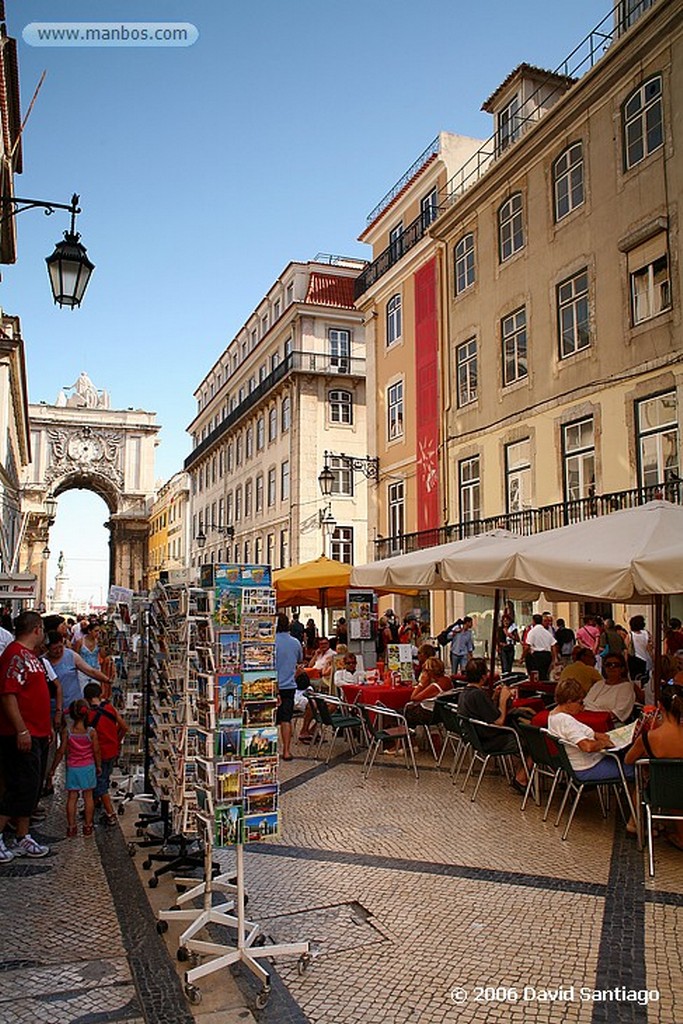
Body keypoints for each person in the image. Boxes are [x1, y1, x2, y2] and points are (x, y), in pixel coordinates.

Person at [0, 611, 51, 861]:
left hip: (38, 733)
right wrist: (21, 729)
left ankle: (23, 836)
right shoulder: (14, 655)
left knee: (31, 789)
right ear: (37, 629)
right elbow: (8, 695)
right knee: (19, 787)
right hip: (21, 734)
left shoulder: (31, 656)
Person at [625, 680, 683, 850]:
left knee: (640, 778)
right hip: (680, 791)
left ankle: (635, 824)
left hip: (661, 792)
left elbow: (628, 760)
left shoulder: (651, 737)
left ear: (660, 706)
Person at [547, 677, 635, 785]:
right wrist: (603, 743)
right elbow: (587, 747)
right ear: (569, 702)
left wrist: (596, 735)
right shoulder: (566, 721)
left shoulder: (553, 715)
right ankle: (634, 800)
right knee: (637, 769)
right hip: (587, 767)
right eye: (580, 703)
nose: (582, 707)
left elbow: (578, 734)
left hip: (577, 765)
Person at [457, 657, 526, 790]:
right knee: (531, 742)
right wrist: (503, 700)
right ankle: (521, 778)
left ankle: (519, 773)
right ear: (483, 677)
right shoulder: (478, 695)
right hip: (490, 740)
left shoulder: (465, 693)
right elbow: (499, 721)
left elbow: (487, 713)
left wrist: (494, 698)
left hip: (477, 738)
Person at [49, 698, 101, 837]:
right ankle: (88, 826)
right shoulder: (91, 732)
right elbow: (96, 751)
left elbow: (61, 751)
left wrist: (53, 768)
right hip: (88, 767)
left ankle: (71, 827)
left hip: (73, 767)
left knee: (72, 797)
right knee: (88, 796)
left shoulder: (68, 732)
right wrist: (98, 765)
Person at [83, 682, 128, 826]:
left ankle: (111, 813)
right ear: (100, 694)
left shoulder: (89, 715)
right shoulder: (110, 708)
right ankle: (92, 805)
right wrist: (117, 739)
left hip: (99, 754)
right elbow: (124, 726)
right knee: (104, 779)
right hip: (112, 750)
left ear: (86, 698)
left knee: (100, 784)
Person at [45, 631, 111, 709]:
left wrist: (107, 680)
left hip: (73, 706)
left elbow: (90, 671)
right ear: (47, 648)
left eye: (60, 647)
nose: (59, 651)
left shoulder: (71, 655)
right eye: (54, 649)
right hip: (52, 707)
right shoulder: (43, 661)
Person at [583, 652, 641, 724]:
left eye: (615, 665)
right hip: (588, 720)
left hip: (610, 725)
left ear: (622, 669)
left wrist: (595, 712)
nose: (611, 668)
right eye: (608, 665)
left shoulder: (626, 687)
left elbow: (618, 713)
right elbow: (585, 703)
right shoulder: (598, 684)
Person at [274, 613, 302, 761]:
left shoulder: (270, 642)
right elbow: (299, 661)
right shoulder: (295, 642)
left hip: (271, 685)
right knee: (286, 719)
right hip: (289, 685)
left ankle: (269, 750)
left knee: (268, 719)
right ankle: (286, 751)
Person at [523, 614, 557, 681]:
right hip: (547, 656)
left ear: (533, 621)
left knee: (536, 675)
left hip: (537, 656)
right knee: (544, 675)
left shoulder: (532, 632)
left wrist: (522, 657)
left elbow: (527, 646)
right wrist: (554, 658)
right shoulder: (547, 632)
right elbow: (553, 645)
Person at [627, 615, 653, 688]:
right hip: (647, 659)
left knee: (636, 680)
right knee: (647, 679)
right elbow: (650, 647)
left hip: (635, 660)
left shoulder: (630, 635)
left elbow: (626, 649)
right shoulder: (646, 633)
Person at [497, 610, 519, 676]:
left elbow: (518, 639)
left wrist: (511, 636)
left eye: (507, 621)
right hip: (503, 648)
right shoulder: (500, 629)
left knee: (509, 665)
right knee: (505, 665)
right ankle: (505, 677)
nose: (506, 622)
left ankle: (508, 677)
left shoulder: (512, 629)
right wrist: (498, 646)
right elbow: (497, 639)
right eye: (504, 621)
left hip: (510, 648)